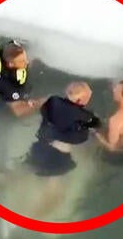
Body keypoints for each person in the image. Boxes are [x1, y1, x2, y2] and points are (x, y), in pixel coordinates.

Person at [22, 81, 102, 217]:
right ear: (79, 100)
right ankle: (22, 220)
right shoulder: (85, 116)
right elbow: (97, 125)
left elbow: (42, 104)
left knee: (24, 170)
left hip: (40, 147)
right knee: (56, 195)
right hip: (57, 156)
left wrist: (33, 103)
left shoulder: (53, 101)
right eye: (87, 98)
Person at [0, 40, 45, 118]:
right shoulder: (2, 82)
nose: (27, 62)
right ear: (11, 64)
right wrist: (41, 103)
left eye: (25, 59)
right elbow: (18, 111)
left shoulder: (10, 47)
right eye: (23, 61)